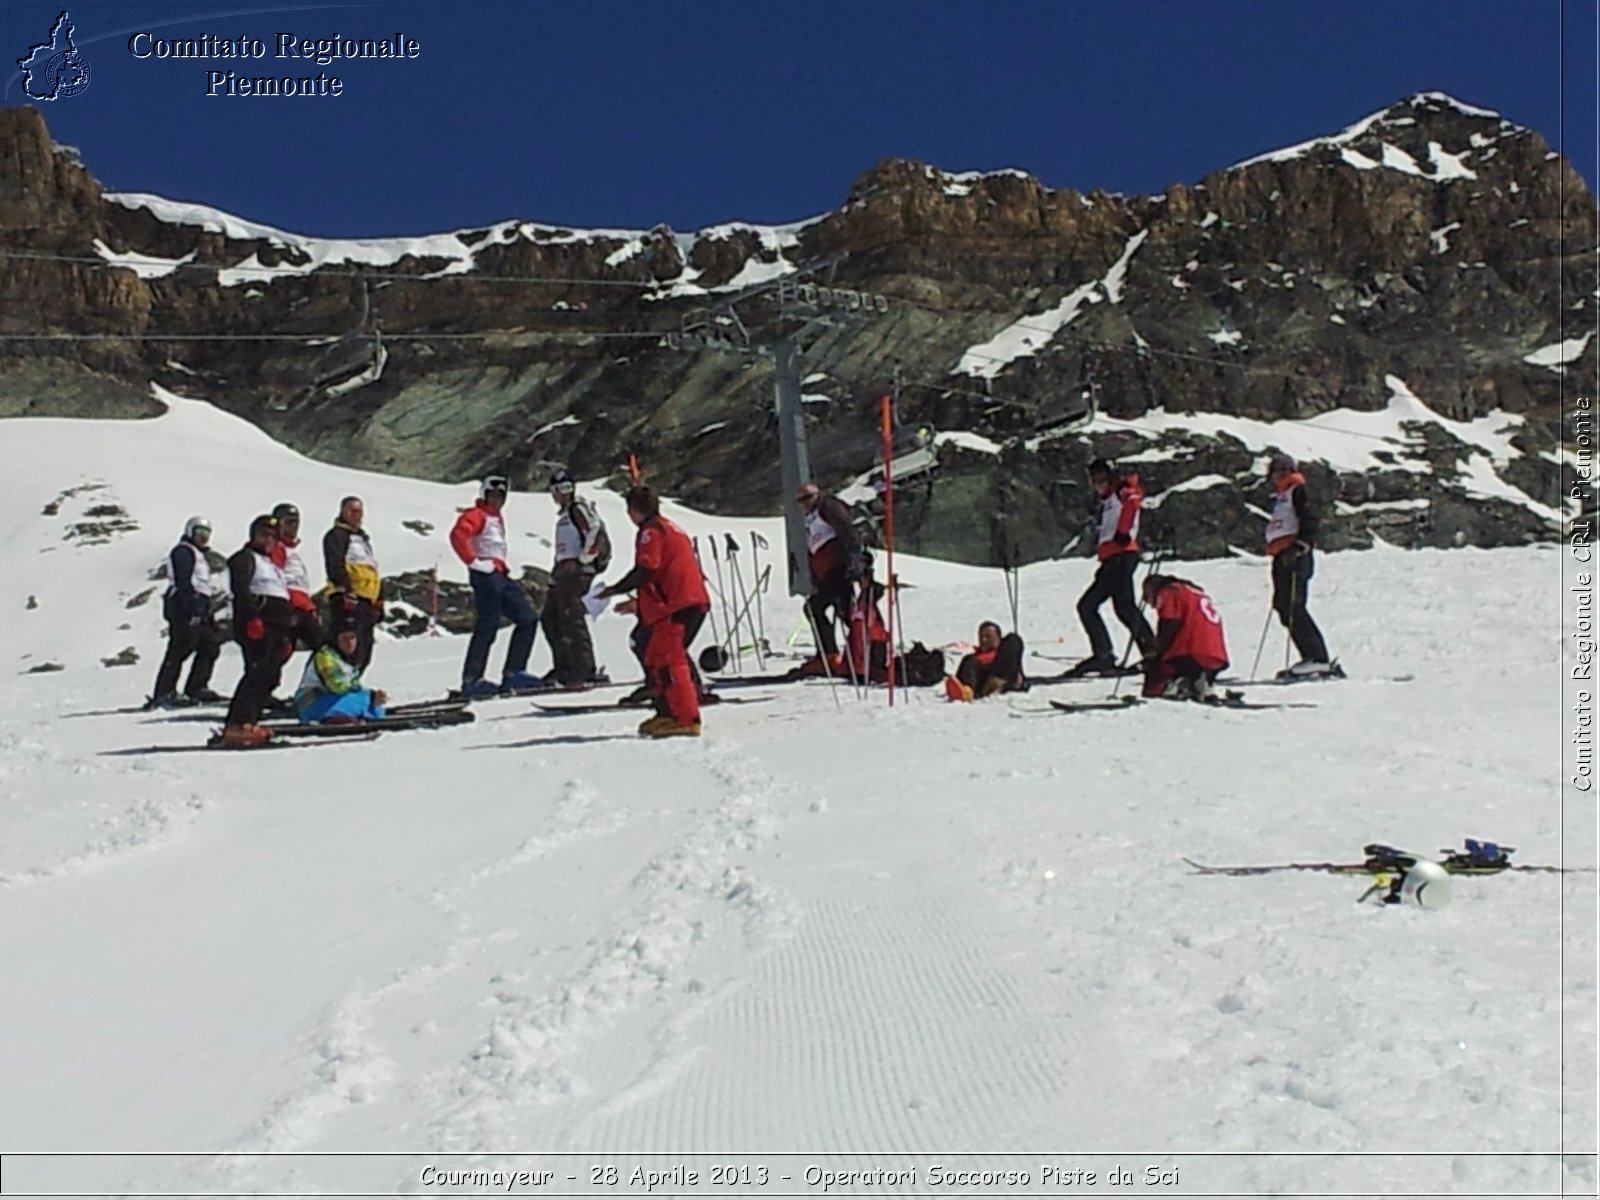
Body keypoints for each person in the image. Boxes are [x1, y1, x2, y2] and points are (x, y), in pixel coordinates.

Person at [598, 485, 711, 738]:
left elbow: (648, 568)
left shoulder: (651, 531)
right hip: (681, 600)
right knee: (655, 656)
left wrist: (616, 588)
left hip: (676, 603)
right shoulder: (669, 526)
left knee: (671, 659)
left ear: (634, 510)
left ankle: (685, 717)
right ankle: (666, 712)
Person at [449, 475, 542, 697]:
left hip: (499, 573)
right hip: (487, 575)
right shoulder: (476, 515)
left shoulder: (495, 518)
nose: (497, 500)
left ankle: (514, 672)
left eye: (501, 496)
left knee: (527, 618)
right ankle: (472, 679)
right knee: (487, 624)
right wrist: (474, 562)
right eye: (492, 496)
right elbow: (458, 535)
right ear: (484, 495)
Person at [1068, 458, 1155, 676]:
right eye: (1094, 480)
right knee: (1121, 606)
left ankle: (1110, 654)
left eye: (1101, 478)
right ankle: (1148, 651)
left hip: (1121, 555)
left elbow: (1133, 502)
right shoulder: (1109, 499)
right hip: (1114, 557)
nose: (1098, 484)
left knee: (1090, 606)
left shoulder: (1121, 490)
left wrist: (1123, 533)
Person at [220, 514, 295, 747]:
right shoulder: (244, 558)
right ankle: (237, 723)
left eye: (273, 536)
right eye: (264, 534)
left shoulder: (271, 563)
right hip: (258, 623)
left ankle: (250, 721)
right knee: (257, 672)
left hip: (276, 626)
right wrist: (252, 618)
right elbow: (241, 590)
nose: (269, 539)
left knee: (270, 675)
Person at [1265, 453, 1338, 678]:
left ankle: (1317, 657)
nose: (1277, 476)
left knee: (1293, 606)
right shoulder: (1283, 494)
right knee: (1283, 606)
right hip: (1283, 554)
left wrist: (1300, 545)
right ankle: (1310, 656)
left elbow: (1309, 519)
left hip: (1295, 555)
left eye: (1280, 471)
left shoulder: (1297, 490)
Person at [147, 515, 225, 708]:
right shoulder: (184, 551)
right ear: (190, 532)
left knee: (210, 646)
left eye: (207, 534)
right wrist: (191, 606)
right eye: (199, 533)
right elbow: (184, 579)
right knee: (180, 648)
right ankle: (164, 691)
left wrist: (207, 611)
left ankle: (197, 687)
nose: (203, 538)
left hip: (201, 604)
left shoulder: (200, 555)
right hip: (184, 604)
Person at [543, 468, 609, 685]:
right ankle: (565, 667)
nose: (563, 493)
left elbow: (593, 527)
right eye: (559, 489)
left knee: (572, 618)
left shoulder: (577, 507)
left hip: (577, 573)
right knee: (551, 619)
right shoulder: (563, 515)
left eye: (567, 488)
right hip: (563, 573)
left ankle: (584, 669)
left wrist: (585, 557)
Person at [795, 481, 861, 676]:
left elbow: (846, 528)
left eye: (806, 498)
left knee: (835, 609)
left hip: (839, 567)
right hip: (827, 571)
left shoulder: (827, 505)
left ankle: (856, 651)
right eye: (800, 501)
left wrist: (855, 557)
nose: (803, 504)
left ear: (817, 494)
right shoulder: (811, 516)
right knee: (833, 609)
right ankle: (833, 654)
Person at [1140, 574, 1230, 700]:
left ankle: (1175, 685)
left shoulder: (1169, 592)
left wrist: (1157, 652)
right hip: (1216, 653)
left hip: (1190, 651)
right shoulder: (1195, 593)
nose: (1146, 600)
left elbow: (1169, 624)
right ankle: (1202, 682)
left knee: (1159, 669)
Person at [322, 495, 382, 671]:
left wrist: (379, 598)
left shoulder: (362, 539)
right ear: (343, 511)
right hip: (349, 597)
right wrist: (346, 590)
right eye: (353, 511)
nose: (357, 516)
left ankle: (350, 684)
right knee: (346, 646)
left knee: (364, 648)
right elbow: (335, 564)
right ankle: (331, 683)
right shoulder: (337, 535)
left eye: (360, 512)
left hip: (366, 599)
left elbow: (372, 568)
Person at [293, 615, 388, 723]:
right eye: (344, 638)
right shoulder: (326, 656)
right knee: (365, 702)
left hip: (329, 700)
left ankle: (349, 715)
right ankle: (341, 716)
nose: (349, 643)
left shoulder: (345, 658)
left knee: (374, 705)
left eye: (352, 638)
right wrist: (370, 696)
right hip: (311, 704)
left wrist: (372, 695)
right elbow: (337, 686)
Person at [268, 502, 323, 654]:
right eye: (289, 522)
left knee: (322, 649)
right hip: (289, 608)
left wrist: (310, 608)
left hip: (301, 608)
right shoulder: (276, 547)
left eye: (296, 522)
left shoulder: (291, 551)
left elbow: (300, 585)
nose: (294, 526)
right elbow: (276, 579)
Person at [945, 621, 1028, 701]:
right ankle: (966, 691)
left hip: (1000, 676)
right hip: (982, 683)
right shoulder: (972, 658)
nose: (983, 640)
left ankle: (997, 682)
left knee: (1013, 639)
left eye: (988, 636)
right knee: (969, 661)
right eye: (981, 637)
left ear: (998, 638)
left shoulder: (1004, 650)